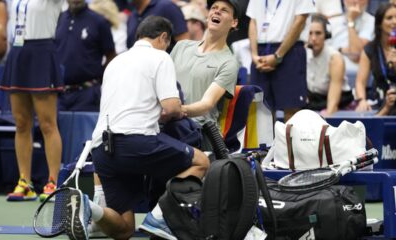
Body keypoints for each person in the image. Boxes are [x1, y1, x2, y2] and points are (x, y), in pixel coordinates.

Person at [62, 16, 209, 240]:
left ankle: (88, 207)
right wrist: (182, 110)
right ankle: (158, 217)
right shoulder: (161, 57)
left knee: (124, 230)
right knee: (202, 162)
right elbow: (170, 107)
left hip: (102, 150)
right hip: (136, 143)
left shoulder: (115, 62)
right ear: (163, 38)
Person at [0, 0, 64, 202]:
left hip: (42, 51)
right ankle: (24, 182)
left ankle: (53, 181)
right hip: (17, 53)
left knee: (47, 123)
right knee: (21, 123)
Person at [172, 0, 239, 128]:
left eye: (224, 10)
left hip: (198, 131)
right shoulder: (181, 46)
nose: (217, 11)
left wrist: (174, 111)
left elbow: (206, 104)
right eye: (214, 7)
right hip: (168, 124)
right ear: (207, 16)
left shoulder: (229, 62)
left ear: (234, 22)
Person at [247, 0, 315, 122]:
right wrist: (254, 54)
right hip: (260, 50)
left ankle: (290, 141)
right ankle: (265, 142)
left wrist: (278, 55)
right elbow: (253, 21)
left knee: (291, 108)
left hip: (290, 49)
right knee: (261, 108)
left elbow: (300, 21)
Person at [56, 0, 116, 112]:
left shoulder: (99, 21)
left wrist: (100, 78)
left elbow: (111, 55)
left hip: (87, 94)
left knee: (85, 130)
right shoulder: (58, 19)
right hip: (59, 94)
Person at [306, 13, 353, 116]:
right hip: (313, 99)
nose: (313, 38)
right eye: (310, 33)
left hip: (338, 99)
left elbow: (333, 100)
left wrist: (328, 116)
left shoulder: (335, 58)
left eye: (318, 33)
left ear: (326, 35)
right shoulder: (302, 53)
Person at [355, 3, 396, 115]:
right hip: (380, 102)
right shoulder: (370, 49)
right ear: (379, 23)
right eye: (389, 18)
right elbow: (360, 82)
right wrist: (362, 100)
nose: (394, 22)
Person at [327, 0, 374, 86]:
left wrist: (350, 21)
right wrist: (341, 50)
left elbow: (355, 53)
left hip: (360, 81)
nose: (355, 1)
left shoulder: (373, 22)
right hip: (330, 79)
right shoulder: (331, 22)